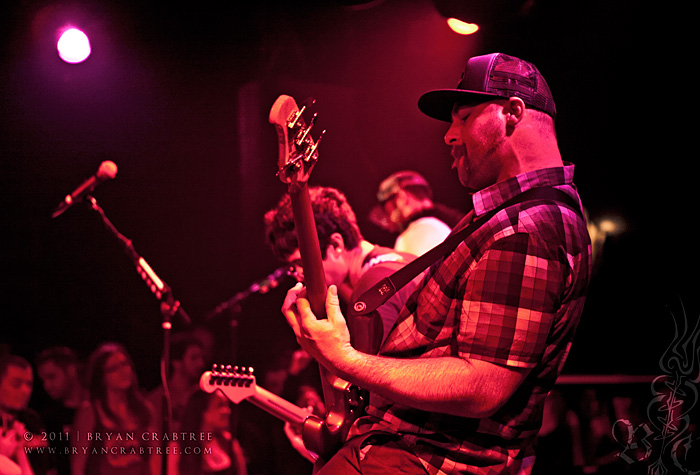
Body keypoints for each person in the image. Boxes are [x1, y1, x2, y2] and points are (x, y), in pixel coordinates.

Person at [281, 52, 592, 474]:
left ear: (512, 113)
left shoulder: (526, 227)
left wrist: (345, 358)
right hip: (401, 449)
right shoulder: (509, 216)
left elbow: (482, 383)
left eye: (462, 117)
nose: (448, 135)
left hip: (423, 459)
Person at [263, 186, 418, 464]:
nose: (299, 275)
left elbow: (381, 408)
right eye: (293, 268)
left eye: (302, 262)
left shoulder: (369, 296)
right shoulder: (399, 262)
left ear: (335, 244)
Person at [71, 343, 157, 475]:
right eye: (113, 368)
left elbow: (154, 459)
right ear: (102, 378)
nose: (123, 371)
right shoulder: (90, 412)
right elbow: (78, 465)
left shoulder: (144, 410)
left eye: (124, 364)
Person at [369, 170, 464, 256]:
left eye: (385, 205)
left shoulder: (414, 233)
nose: (386, 215)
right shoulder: (453, 219)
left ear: (401, 197)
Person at [35, 347, 86, 475]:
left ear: (71, 370)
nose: (47, 385)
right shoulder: (48, 419)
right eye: (43, 380)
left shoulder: (99, 410)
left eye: (51, 377)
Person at [147, 332, 206, 435]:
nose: (201, 363)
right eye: (194, 358)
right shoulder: (158, 399)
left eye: (202, 358)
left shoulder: (203, 396)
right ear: (176, 362)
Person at [176, 391, 247, 475]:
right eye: (220, 405)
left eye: (227, 405)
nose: (228, 411)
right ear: (203, 412)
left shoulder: (230, 443)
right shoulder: (180, 448)